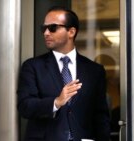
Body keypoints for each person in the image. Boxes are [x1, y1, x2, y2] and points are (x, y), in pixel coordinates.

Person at [17, 6, 110, 141]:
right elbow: (25, 106)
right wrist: (56, 102)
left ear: (71, 32)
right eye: (44, 28)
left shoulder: (94, 71)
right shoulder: (32, 67)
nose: (46, 33)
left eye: (53, 28)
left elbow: (101, 117)